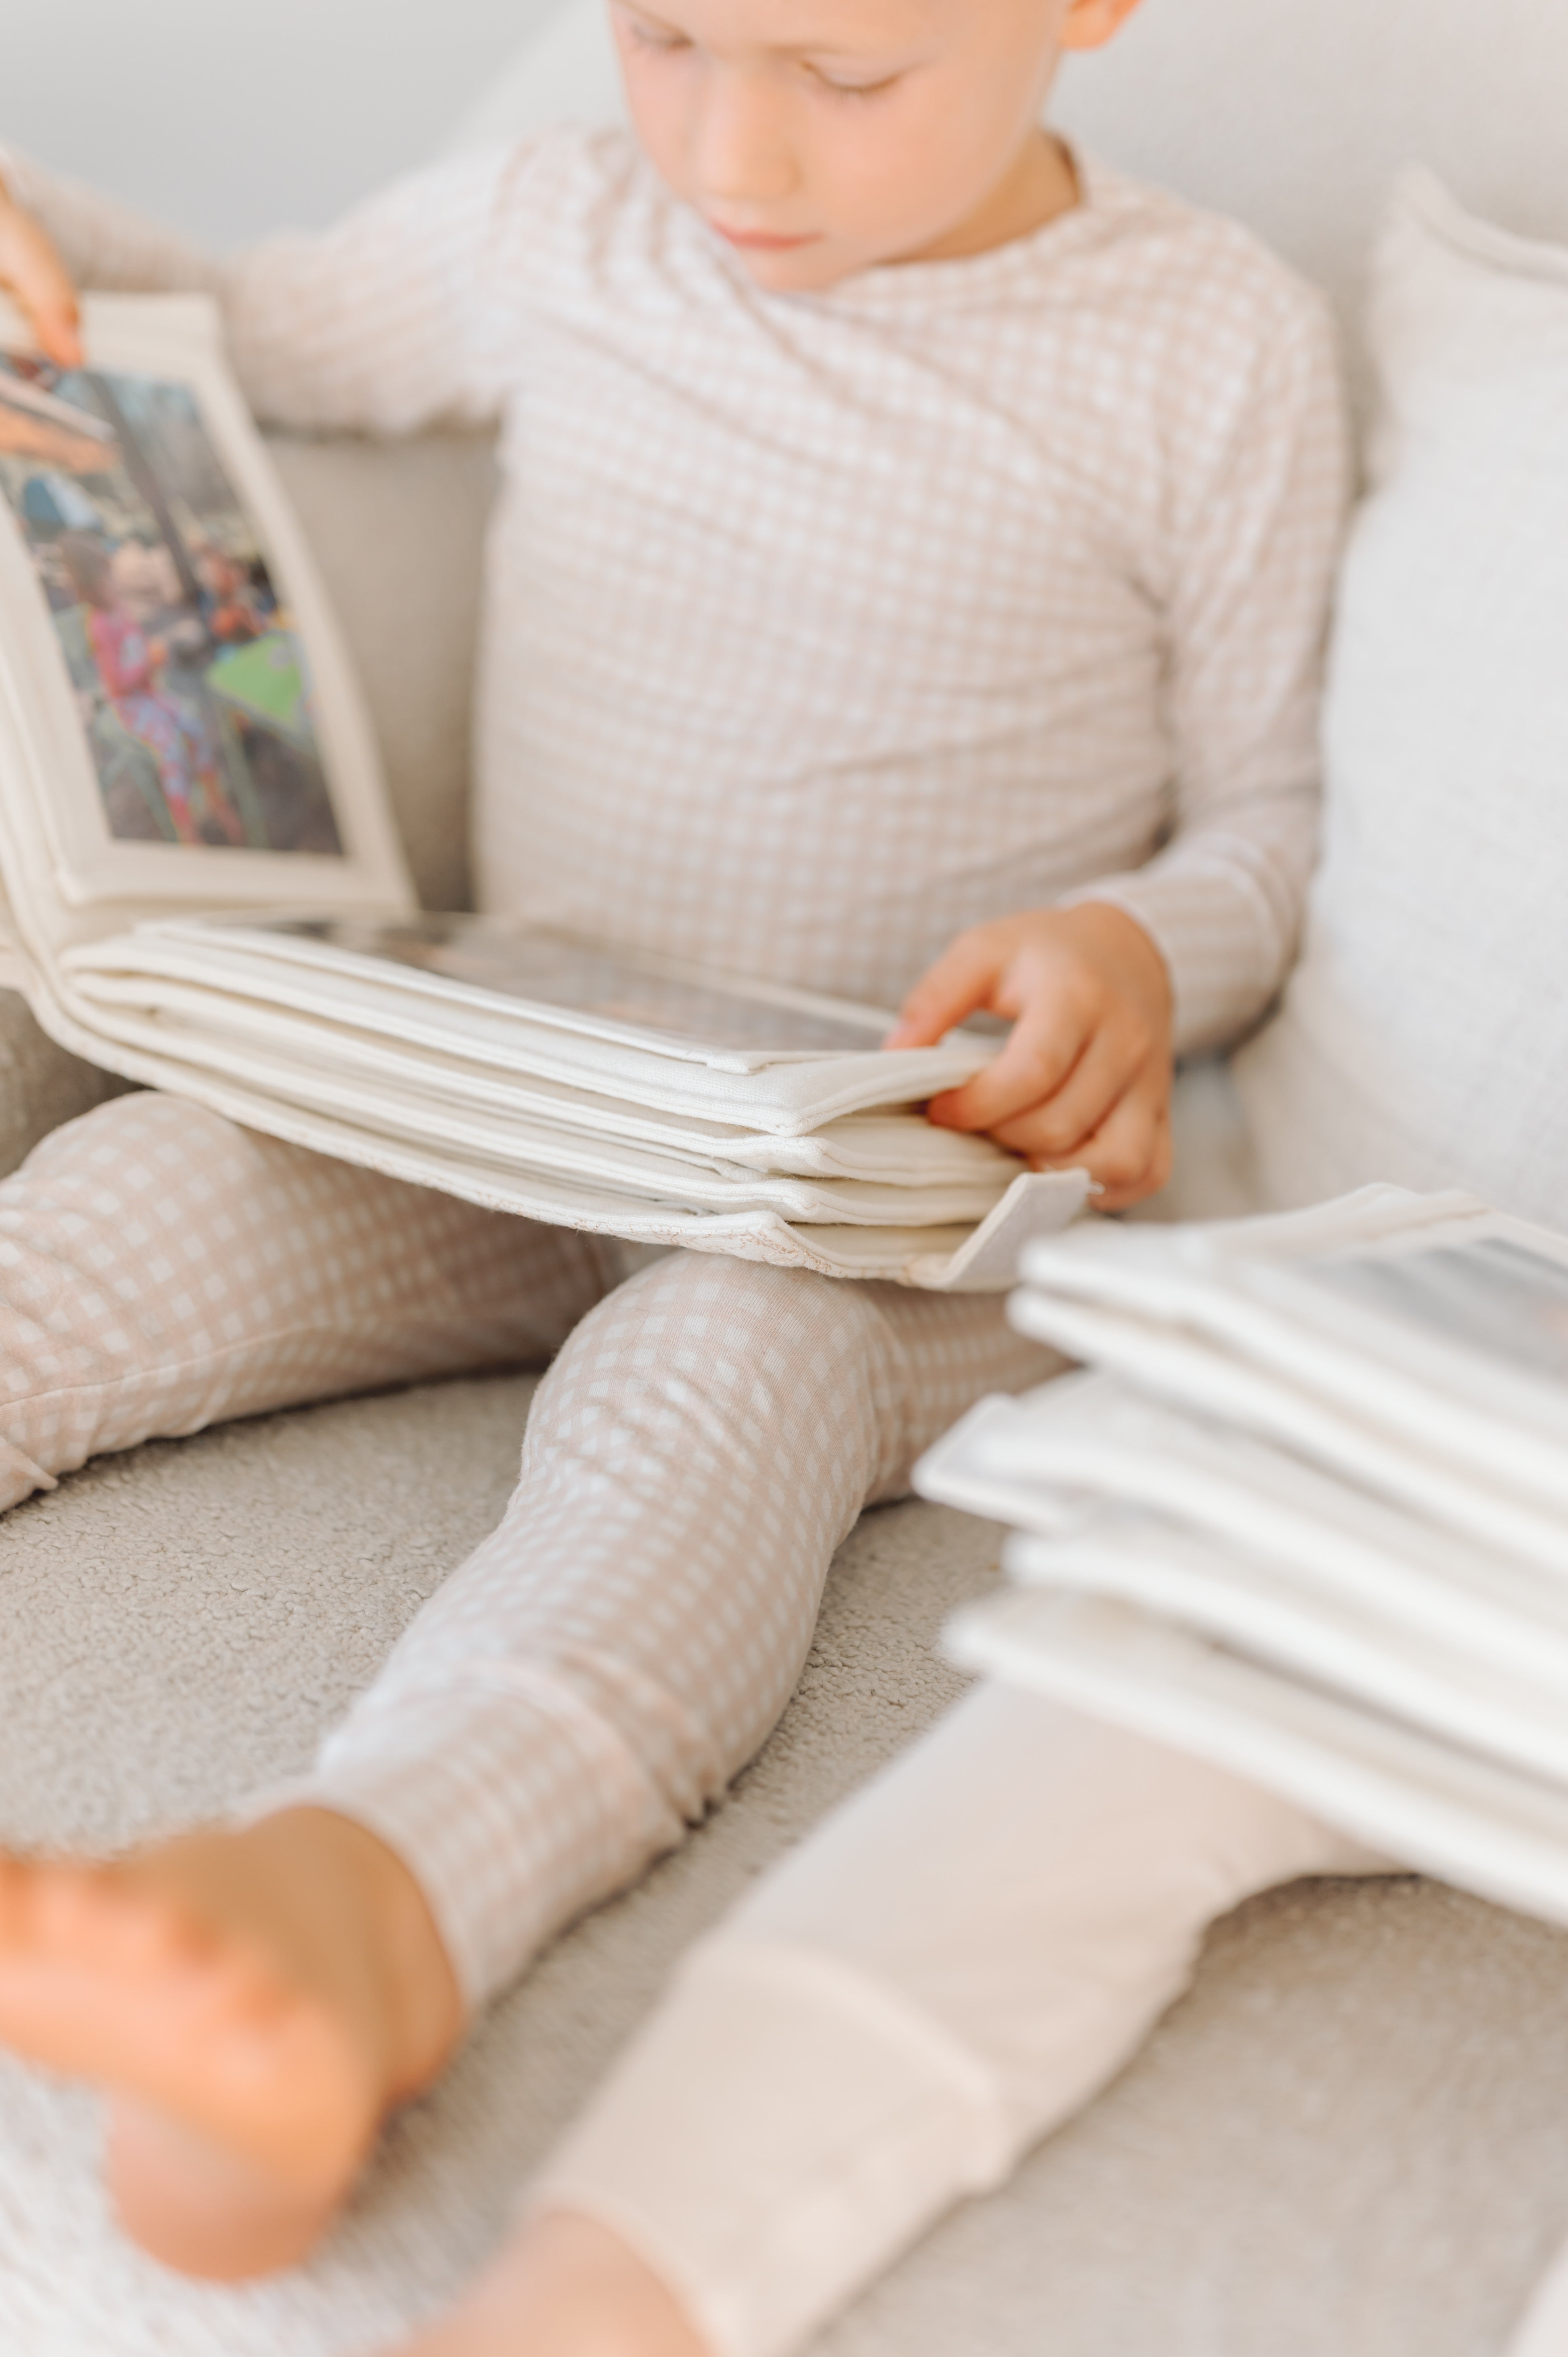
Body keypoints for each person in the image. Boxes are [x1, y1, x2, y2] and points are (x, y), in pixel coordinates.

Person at [0, 0, 1349, 2345]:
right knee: (147, 1196)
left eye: (841, 75)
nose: (735, 143)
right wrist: (43, 241)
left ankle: (354, 1921)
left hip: (894, 1200)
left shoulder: (1202, 339)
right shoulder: (562, 223)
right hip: (532, 1089)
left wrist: (1137, 944)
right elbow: (251, 318)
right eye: (664, 34)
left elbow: (1275, 817)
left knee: (707, 1389)